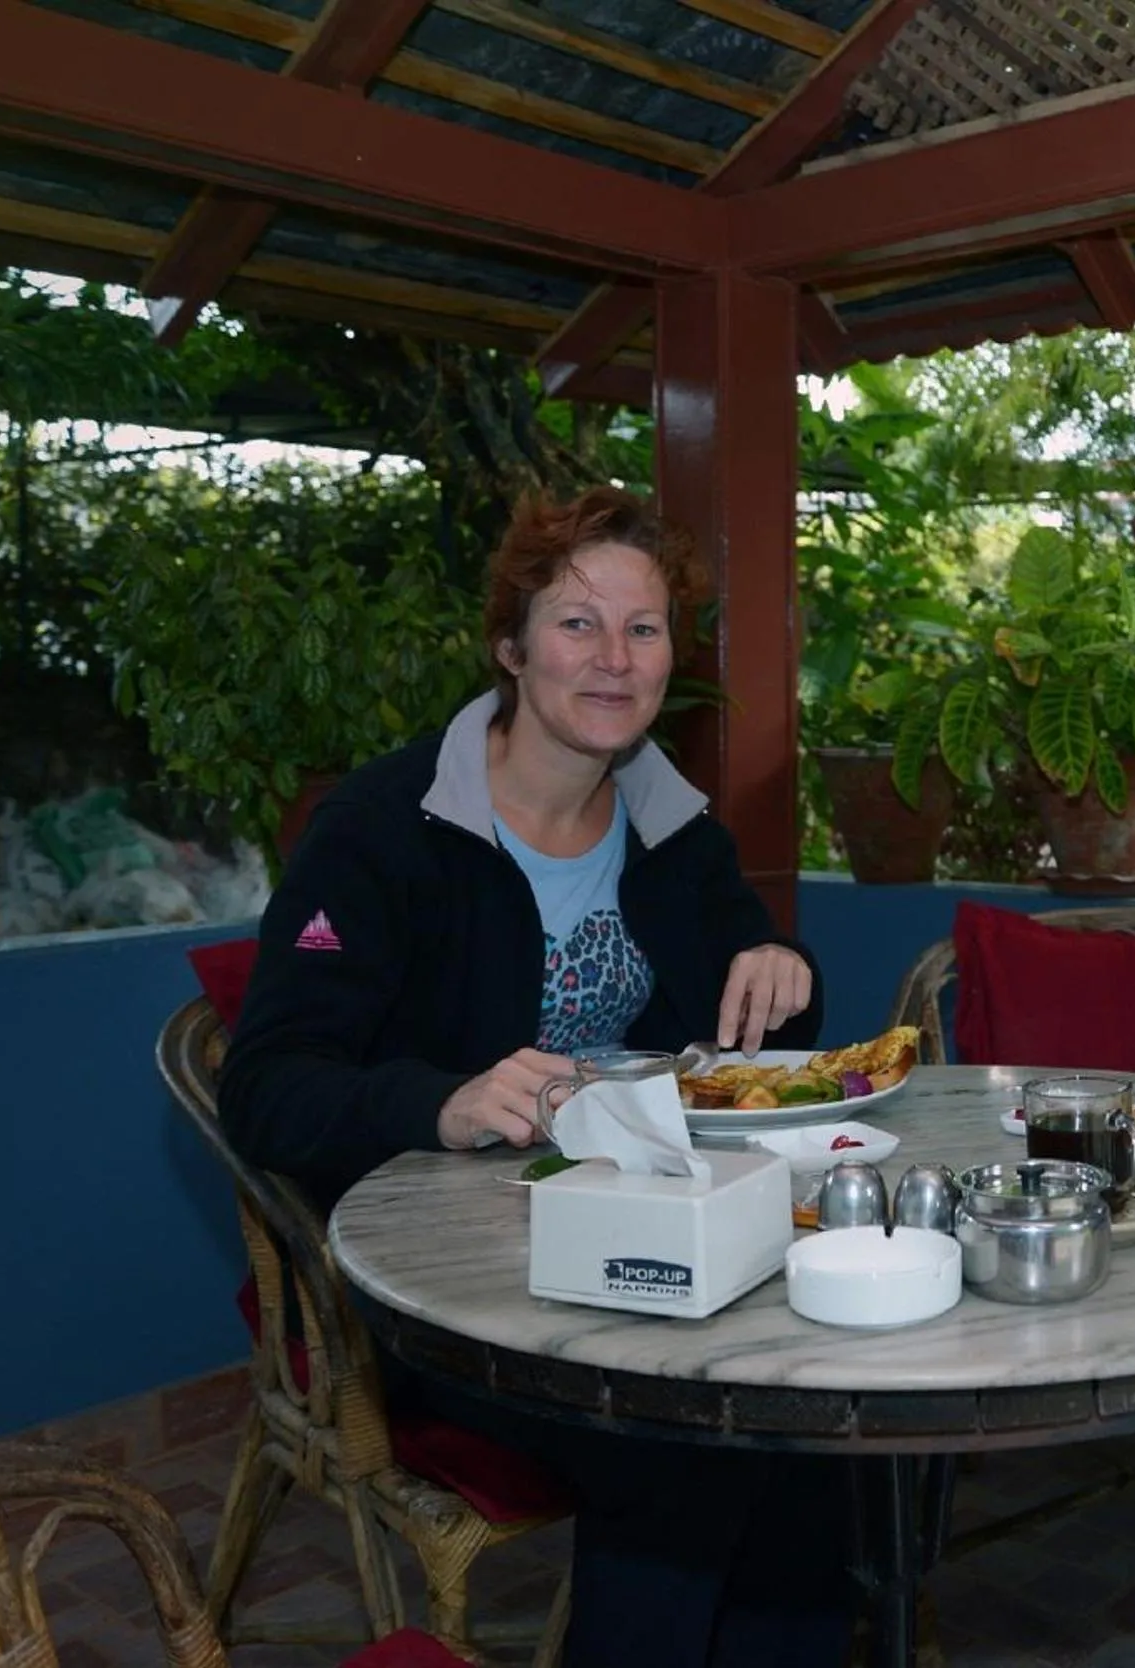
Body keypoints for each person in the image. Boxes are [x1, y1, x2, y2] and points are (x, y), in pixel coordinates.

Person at [218, 486, 851, 1668]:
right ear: (510, 648)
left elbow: (767, 1003)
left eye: (643, 629)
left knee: (812, 1428)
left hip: (644, 1244)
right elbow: (264, 1088)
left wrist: (783, 965)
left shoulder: (671, 826)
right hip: (438, 1290)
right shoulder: (380, 832)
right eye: (576, 623)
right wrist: (440, 1101)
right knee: (685, 1444)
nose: (614, 659)